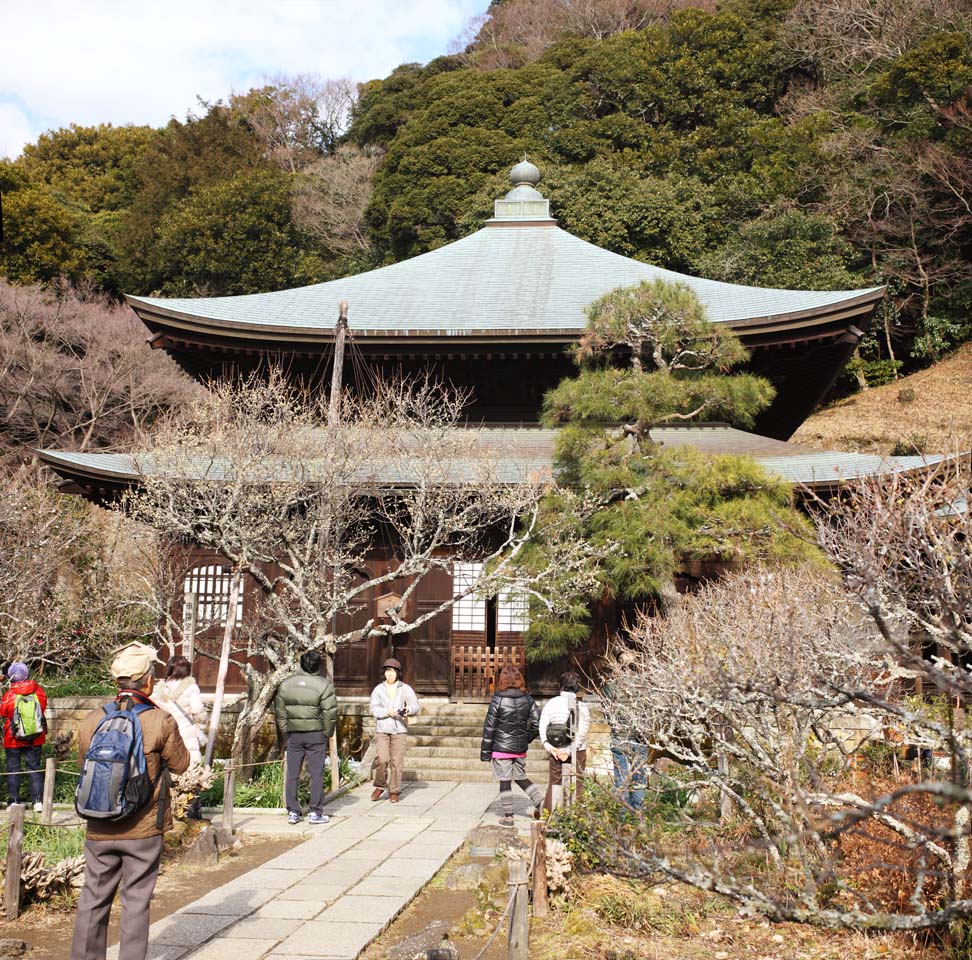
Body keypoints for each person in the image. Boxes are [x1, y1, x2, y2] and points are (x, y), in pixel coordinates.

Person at [70, 642, 189, 960]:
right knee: (136, 899)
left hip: (99, 824)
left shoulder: (92, 719)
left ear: (117, 682)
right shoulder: (159, 720)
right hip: (143, 827)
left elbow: (84, 763)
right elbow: (181, 764)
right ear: (149, 681)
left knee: (93, 897)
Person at [274, 649, 338, 825]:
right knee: (316, 774)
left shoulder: (287, 684)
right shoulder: (324, 685)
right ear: (318, 665)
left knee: (292, 774)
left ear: (301, 664)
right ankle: (316, 812)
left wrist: (285, 730)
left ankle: (293, 812)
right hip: (316, 734)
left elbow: (280, 711)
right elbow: (330, 713)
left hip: (294, 734)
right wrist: (327, 732)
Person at [480, 665, 544, 827]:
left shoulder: (497, 699)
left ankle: (509, 816)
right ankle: (540, 803)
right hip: (519, 747)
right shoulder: (527, 699)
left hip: (500, 748)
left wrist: (485, 752)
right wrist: (526, 738)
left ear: (502, 680)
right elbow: (537, 723)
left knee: (505, 780)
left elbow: (490, 727)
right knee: (521, 777)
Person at [154, 656, 209, 819]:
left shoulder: (159, 688)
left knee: (168, 773)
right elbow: (198, 710)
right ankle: (191, 814)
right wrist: (201, 725)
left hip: (164, 733)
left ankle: (169, 813)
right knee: (190, 775)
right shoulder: (191, 687)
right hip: (185, 733)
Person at [369, 657, 420, 803]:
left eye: (392, 671)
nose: (389, 674)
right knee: (382, 759)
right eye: (387, 671)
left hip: (400, 729)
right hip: (383, 729)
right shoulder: (378, 689)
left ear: (398, 673)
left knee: (397, 761)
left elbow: (415, 705)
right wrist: (387, 712)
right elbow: (373, 709)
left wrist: (408, 709)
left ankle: (394, 790)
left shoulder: (405, 688)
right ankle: (379, 785)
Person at [539, 671, 591, 814]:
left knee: (555, 781)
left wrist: (550, 748)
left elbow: (542, 727)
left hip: (556, 748)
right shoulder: (582, 707)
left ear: (560, 686)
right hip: (577, 750)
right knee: (578, 782)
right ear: (577, 688)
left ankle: (549, 816)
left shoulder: (551, 704)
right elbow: (582, 732)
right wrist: (569, 751)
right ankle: (576, 817)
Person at [1, 661, 48, 812]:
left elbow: (3, 712)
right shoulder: (39, 692)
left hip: (13, 738)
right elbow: (42, 707)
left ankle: (13, 801)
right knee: (34, 768)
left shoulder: (10, 695)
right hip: (35, 737)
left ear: (11, 676)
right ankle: (38, 802)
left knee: (13, 769)